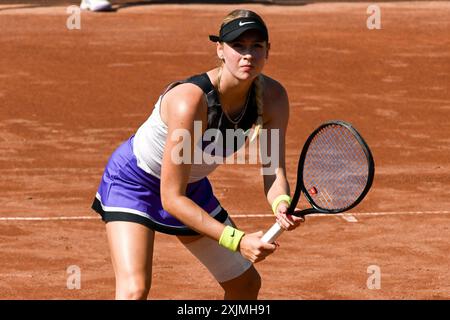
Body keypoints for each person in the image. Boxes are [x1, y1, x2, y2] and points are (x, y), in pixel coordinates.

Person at [92, 9, 305, 300]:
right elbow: (171, 199)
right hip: (135, 184)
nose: (248, 55)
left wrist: (280, 204)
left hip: (189, 189)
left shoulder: (274, 99)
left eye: (256, 46)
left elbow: (273, 169)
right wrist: (236, 240)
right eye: (238, 46)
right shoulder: (190, 101)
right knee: (134, 291)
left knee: (245, 286)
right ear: (219, 49)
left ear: (268, 50)